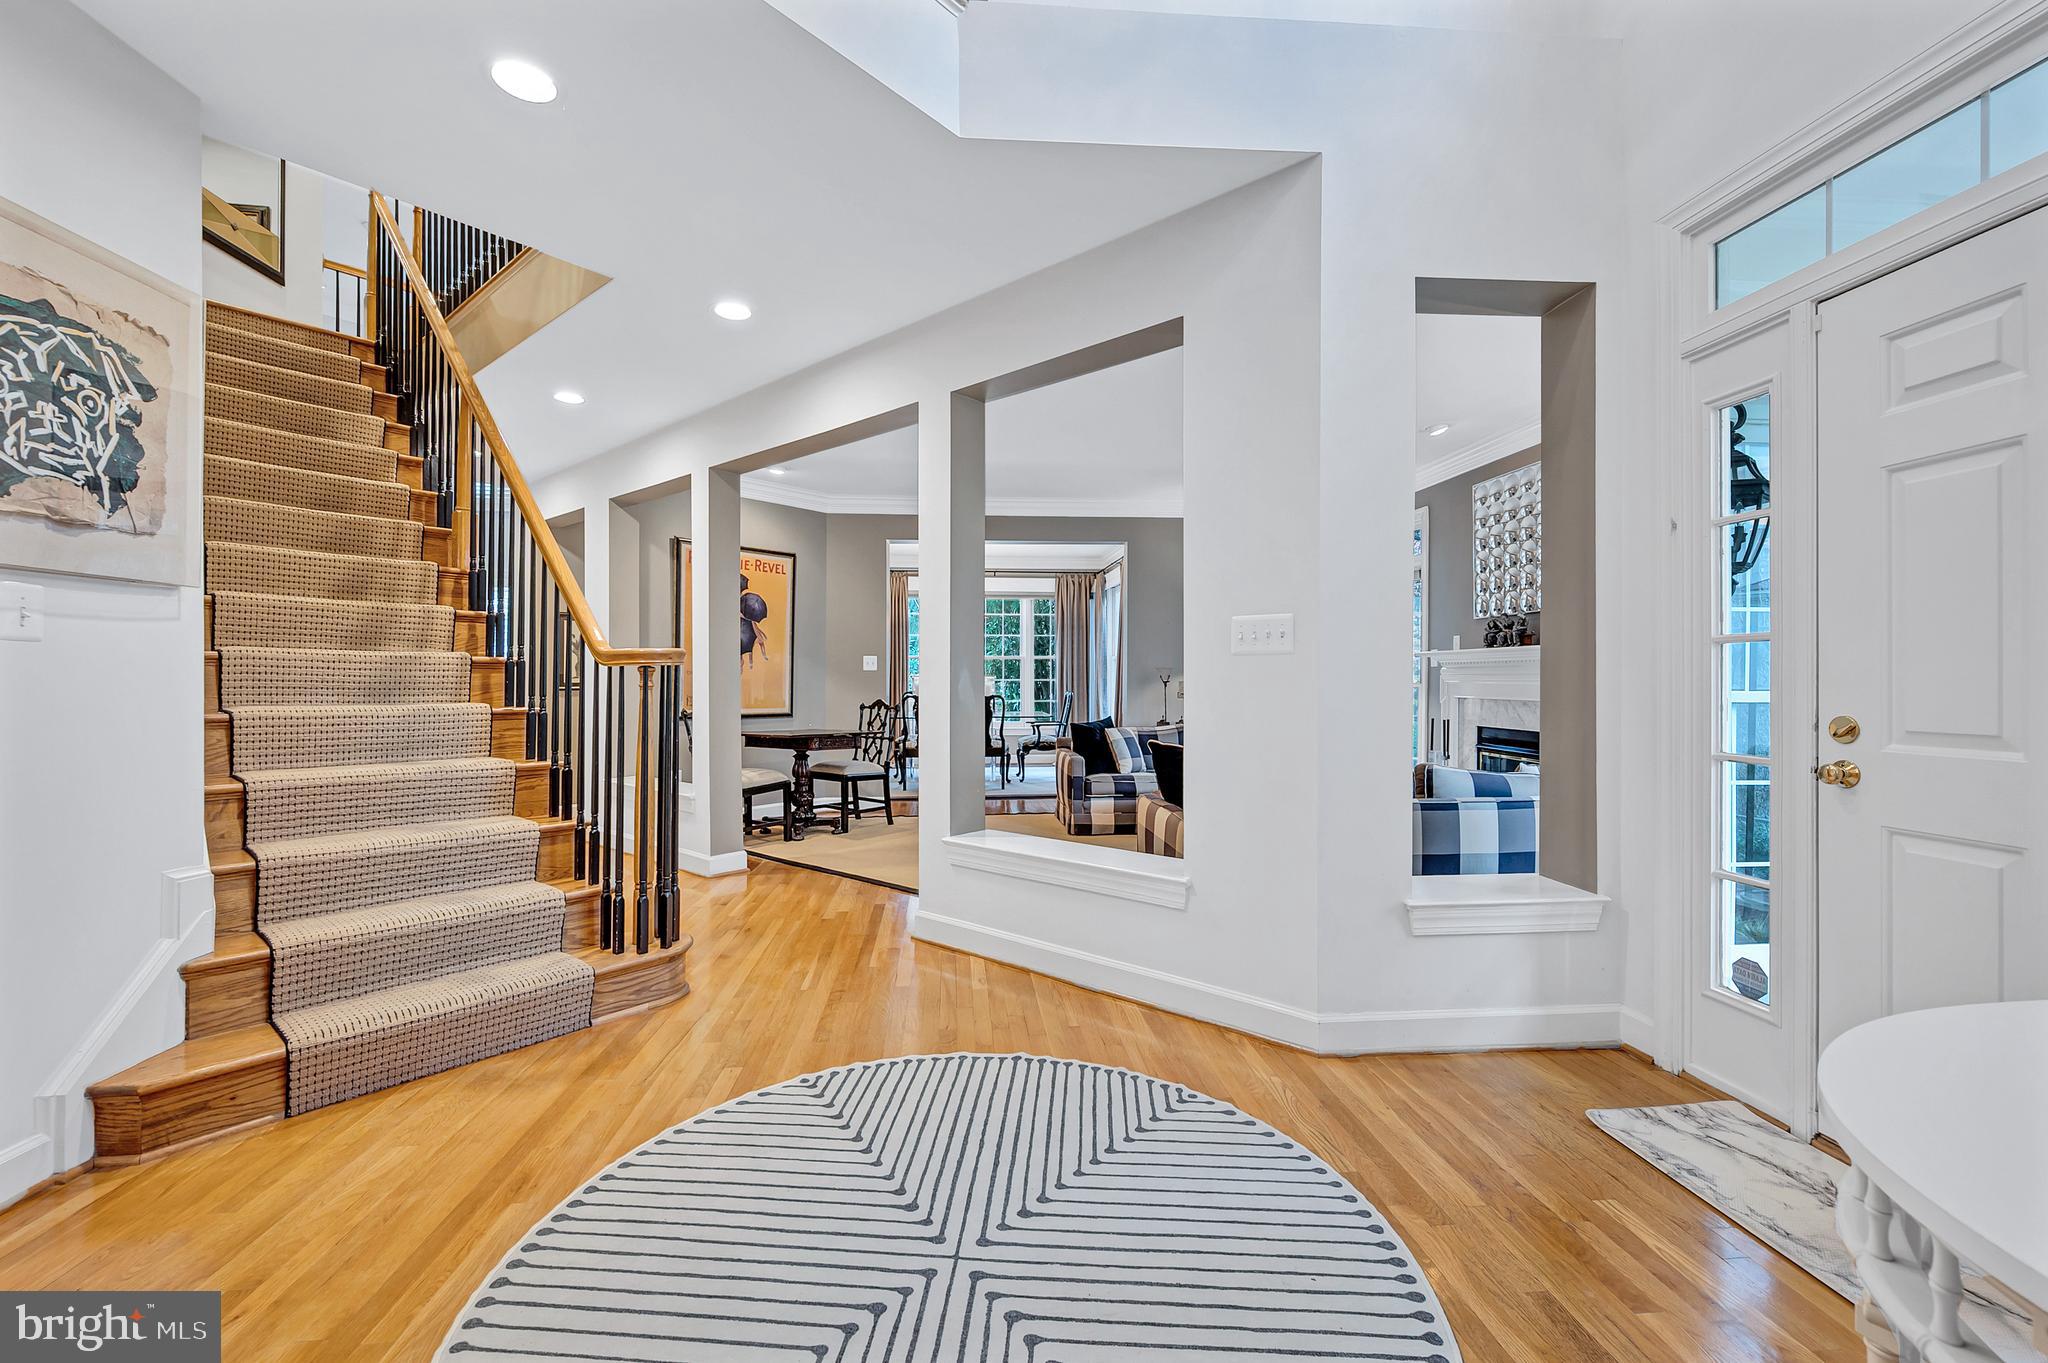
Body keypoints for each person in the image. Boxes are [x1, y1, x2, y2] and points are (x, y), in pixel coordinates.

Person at [739, 573, 770, 672]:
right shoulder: (744, 600)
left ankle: (751, 662)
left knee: (750, 644)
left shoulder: (744, 600)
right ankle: (750, 662)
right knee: (748, 645)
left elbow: (752, 622)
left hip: (746, 626)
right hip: (744, 627)